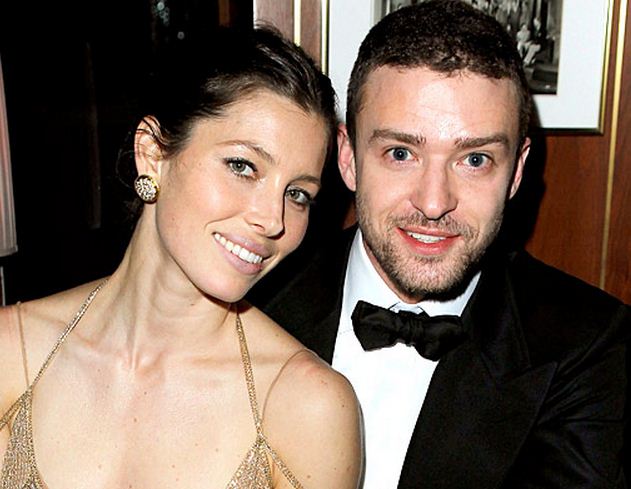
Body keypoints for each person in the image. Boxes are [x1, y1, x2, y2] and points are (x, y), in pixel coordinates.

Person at [250, 2, 630, 488]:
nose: (434, 203)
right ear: (348, 157)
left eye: (474, 160)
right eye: (401, 153)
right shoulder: (255, 297)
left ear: (516, 171)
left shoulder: (588, 344)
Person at [0, 26, 361, 489]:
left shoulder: (307, 407)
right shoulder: (12, 355)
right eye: (242, 166)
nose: (273, 220)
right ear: (152, 154)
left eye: (298, 194)